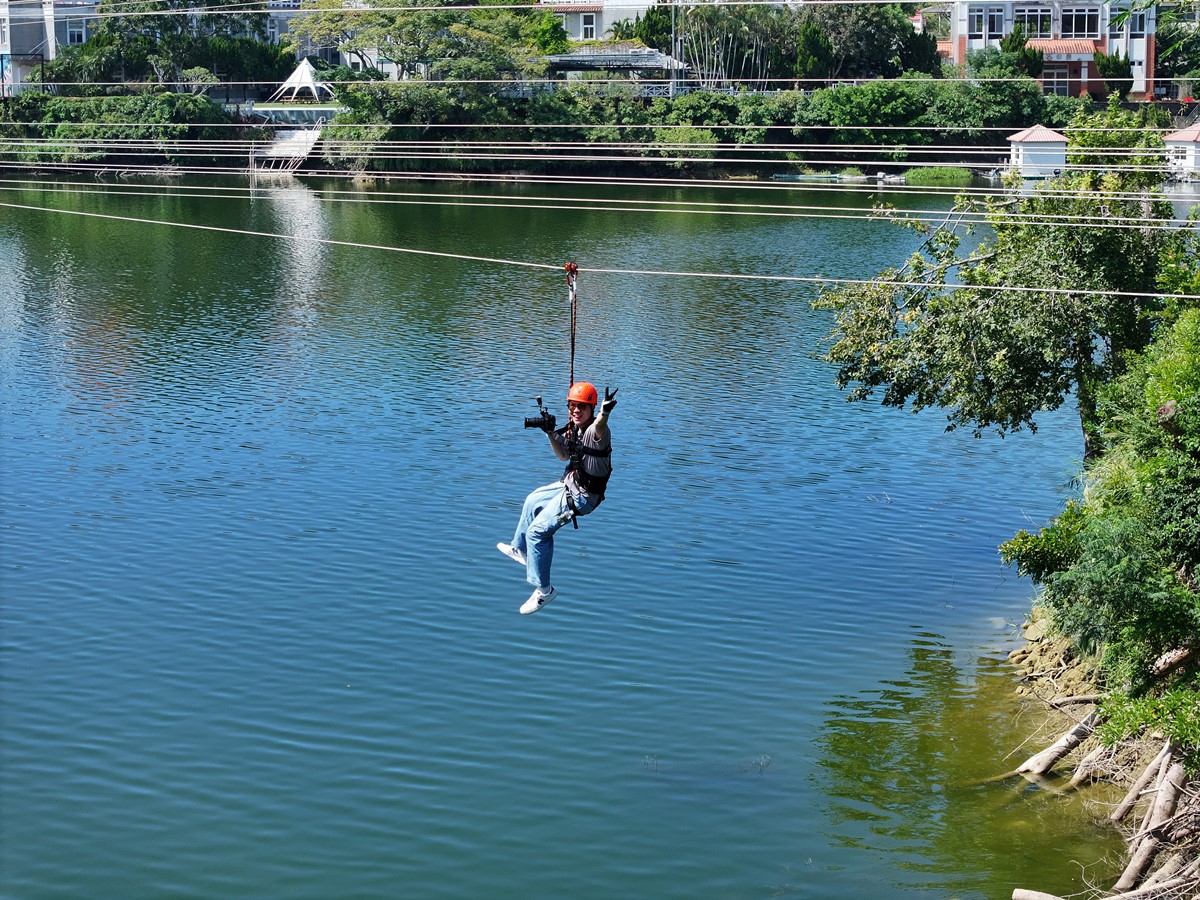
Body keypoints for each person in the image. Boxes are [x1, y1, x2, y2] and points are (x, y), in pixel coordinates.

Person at [498, 382, 617, 614]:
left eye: (582, 407)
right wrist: (551, 433)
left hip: (583, 497)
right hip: (569, 484)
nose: (576, 411)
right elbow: (563, 455)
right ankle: (519, 549)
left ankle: (544, 590)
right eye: (572, 406)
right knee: (532, 500)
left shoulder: (596, 431)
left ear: (592, 409)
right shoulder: (575, 428)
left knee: (537, 532)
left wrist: (605, 412)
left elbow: (601, 425)